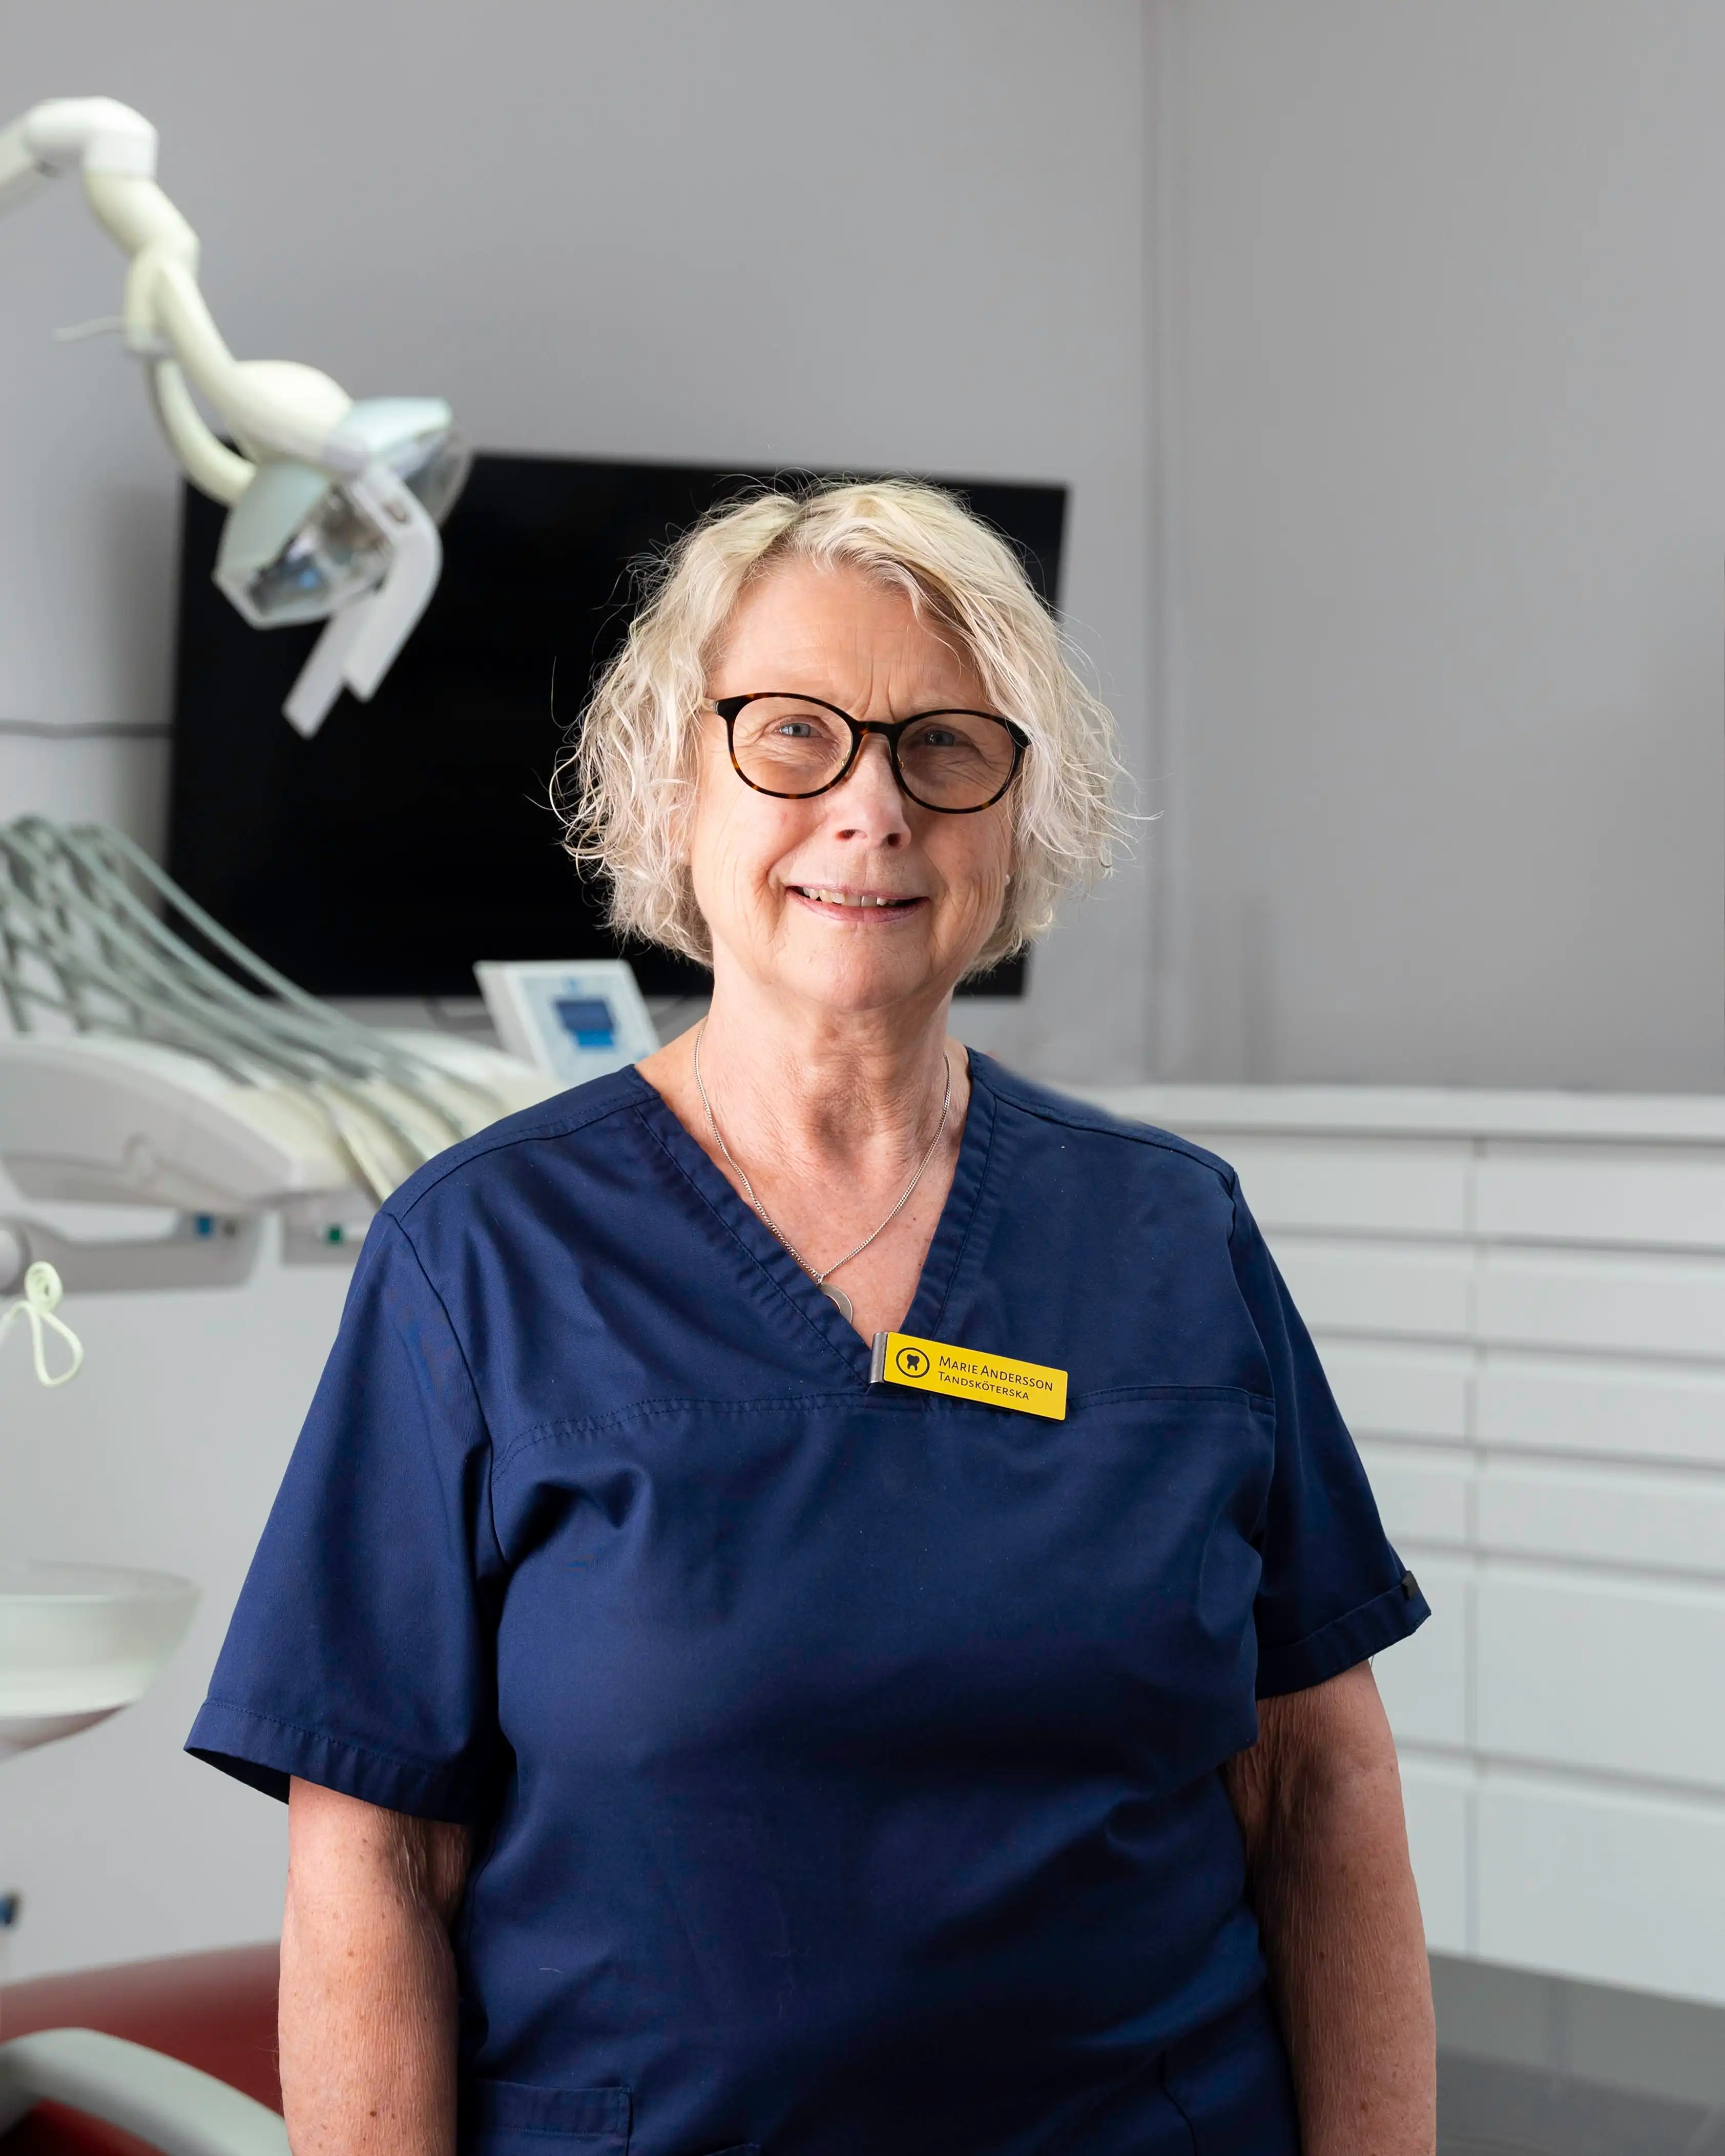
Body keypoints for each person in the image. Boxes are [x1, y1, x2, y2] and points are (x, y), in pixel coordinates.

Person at [188, 479, 1436, 2156]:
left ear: (1017, 813)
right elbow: (372, 1853)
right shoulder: (480, 1256)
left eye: (944, 747)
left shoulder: (1168, 1233)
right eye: (792, 734)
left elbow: (1317, 1782)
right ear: (670, 785)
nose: (872, 808)